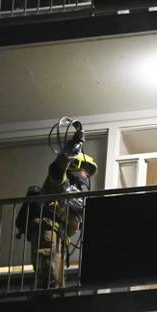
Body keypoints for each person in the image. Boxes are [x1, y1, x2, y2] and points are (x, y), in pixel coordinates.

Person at [29, 123, 98, 289]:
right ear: (74, 166)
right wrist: (74, 146)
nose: (86, 175)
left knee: (57, 284)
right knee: (48, 276)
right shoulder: (59, 183)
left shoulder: (78, 197)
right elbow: (57, 168)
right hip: (48, 232)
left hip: (60, 240)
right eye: (85, 170)